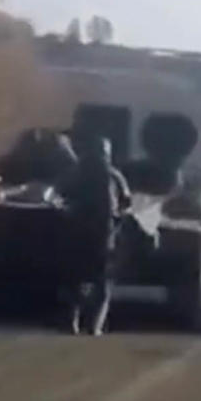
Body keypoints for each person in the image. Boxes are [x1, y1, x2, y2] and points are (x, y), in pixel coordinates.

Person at [63, 136, 130, 336]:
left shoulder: (76, 173)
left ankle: (72, 322)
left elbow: (59, 194)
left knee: (75, 280)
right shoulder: (114, 175)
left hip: (79, 235)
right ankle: (94, 325)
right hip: (104, 236)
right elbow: (127, 203)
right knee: (102, 283)